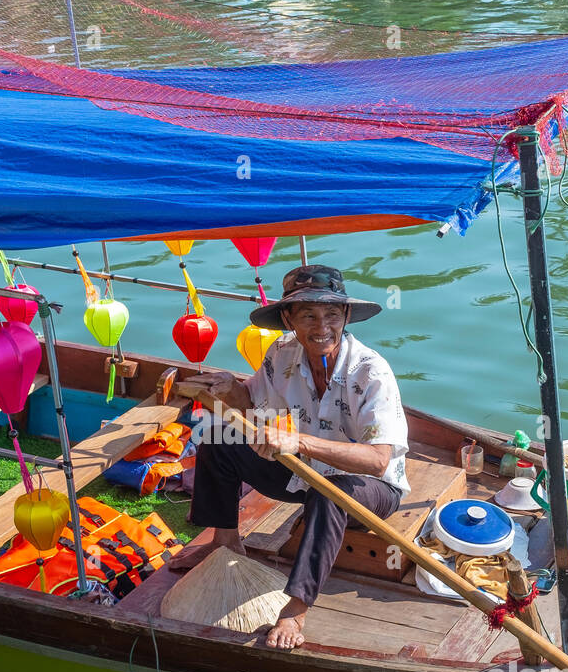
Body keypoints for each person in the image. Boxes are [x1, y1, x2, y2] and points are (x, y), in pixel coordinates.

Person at [168, 265, 410, 649]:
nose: (321, 327)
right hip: (301, 471)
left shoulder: (370, 371)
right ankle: (225, 542)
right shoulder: (281, 352)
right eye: (308, 315)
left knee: (329, 493)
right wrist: (230, 389)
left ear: (346, 317)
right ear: (287, 318)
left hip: (370, 488)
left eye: (332, 314)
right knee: (216, 436)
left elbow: (378, 460)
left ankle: (295, 610)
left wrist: (298, 442)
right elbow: (252, 404)